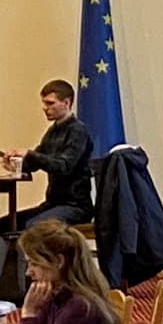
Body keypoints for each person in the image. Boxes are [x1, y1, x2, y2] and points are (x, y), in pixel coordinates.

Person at [16, 80, 96, 230]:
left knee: (33, 227)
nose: (45, 108)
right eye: (44, 103)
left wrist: (30, 154)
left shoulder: (77, 131)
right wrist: (19, 163)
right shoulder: (52, 132)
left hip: (75, 206)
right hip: (53, 203)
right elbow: (35, 163)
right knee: (6, 224)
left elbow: (63, 166)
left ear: (66, 103)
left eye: (50, 103)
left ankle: (37, 254)